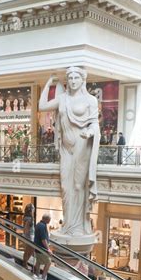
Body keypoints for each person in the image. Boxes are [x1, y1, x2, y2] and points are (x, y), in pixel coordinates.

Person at [38, 68, 100, 238]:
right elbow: (42, 106)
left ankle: (78, 227)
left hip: (81, 145)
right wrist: (49, 82)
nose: (72, 81)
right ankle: (68, 224)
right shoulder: (62, 99)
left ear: (82, 80)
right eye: (70, 78)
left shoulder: (90, 100)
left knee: (79, 186)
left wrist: (89, 132)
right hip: (66, 148)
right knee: (66, 187)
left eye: (76, 78)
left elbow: (95, 124)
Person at [33, 213, 52, 280]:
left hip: (37, 247)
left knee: (38, 261)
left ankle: (37, 274)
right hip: (41, 248)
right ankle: (43, 277)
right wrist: (48, 249)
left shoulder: (38, 224)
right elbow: (43, 239)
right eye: (49, 219)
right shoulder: (42, 226)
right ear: (46, 219)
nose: (50, 220)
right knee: (48, 262)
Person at [22, 203, 35, 268]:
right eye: (32, 208)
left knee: (30, 250)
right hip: (29, 236)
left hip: (30, 236)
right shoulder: (28, 218)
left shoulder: (29, 217)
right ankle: (25, 263)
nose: (33, 210)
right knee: (28, 250)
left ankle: (25, 262)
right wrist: (27, 237)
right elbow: (26, 228)